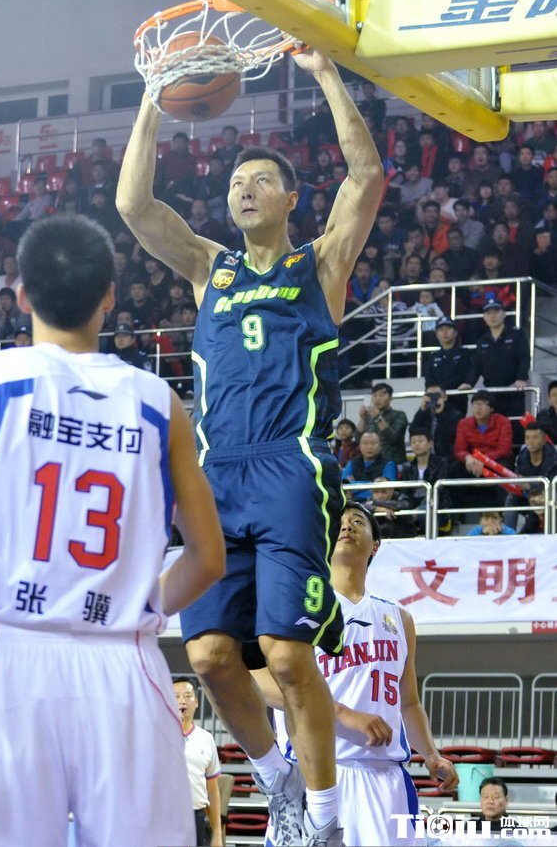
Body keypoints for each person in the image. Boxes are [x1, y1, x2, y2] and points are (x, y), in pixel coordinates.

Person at [118, 44, 384, 847]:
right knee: (205, 655)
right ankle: (278, 785)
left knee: (285, 652)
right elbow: (135, 206)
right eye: (236, 180)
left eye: (261, 179)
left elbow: (366, 178)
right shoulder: (210, 269)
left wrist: (326, 75)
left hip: (290, 465)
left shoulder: (320, 263)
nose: (243, 187)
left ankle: (327, 822)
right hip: (215, 476)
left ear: (290, 198)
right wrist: (152, 98)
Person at [0, 214, 226, 847]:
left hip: (15, 658)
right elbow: (207, 557)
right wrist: (138, 604)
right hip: (124, 664)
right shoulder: (157, 402)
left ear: (21, 295)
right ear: (109, 296)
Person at [253, 504, 457, 847]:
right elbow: (257, 680)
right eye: (339, 523)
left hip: (385, 778)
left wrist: (431, 754)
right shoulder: (295, 604)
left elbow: (409, 703)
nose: (347, 526)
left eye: (357, 522)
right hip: (315, 772)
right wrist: (339, 712)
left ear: (375, 545)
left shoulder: (399, 618)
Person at [173, 677, 223, 847]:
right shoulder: (156, 736)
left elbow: (212, 789)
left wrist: (217, 833)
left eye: (188, 696)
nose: (182, 701)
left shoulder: (206, 739)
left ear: (196, 702)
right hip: (163, 818)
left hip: (196, 818)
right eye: (176, 696)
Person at [467, 299, 531, 421]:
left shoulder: (516, 335)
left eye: (496, 311)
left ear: (504, 314)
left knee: (515, 427)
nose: (492, 316)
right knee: (493, 428)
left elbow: (524, 357)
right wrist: (469, 383)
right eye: (488, 313)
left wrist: (522, 378)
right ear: (484, 317)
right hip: (491, 394)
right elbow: (476, 366)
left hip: (513, 391)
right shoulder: (481, 341)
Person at [503, 422, 557, 529]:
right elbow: (519, 478)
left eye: (535, 437)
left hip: (550, 498)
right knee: (511, 498)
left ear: (544, 440)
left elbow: (553, 484)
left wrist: (530, 485)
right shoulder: (521, 457)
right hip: (529, 497)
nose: (530, 442)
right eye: (527, 438)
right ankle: (509, 532)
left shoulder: (554, 458)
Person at [423, 318, 472, 415]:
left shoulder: (464, 354)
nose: (445, 332)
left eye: (448, 329)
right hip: (435, 401)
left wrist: (441, 389)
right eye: (441, 329)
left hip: (457, 402)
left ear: (455, 333)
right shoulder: (433, 356)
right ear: (437, 334)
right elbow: (429, 378)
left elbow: (463, 375)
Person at [357, 383, 408, 466]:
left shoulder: (399, 415)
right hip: (371, 463)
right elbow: (358, 439)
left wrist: (378, 418)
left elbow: (394, 438)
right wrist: (363, 419)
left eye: (381, 395)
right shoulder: (369, 417)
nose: (377, 398)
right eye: (375, 395)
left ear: (391, 398)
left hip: (393, 462)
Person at [410, 385, 461, 462]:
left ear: (445, 397)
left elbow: (450, 436)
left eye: (437, 395)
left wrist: (440, 414)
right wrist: (421, 411)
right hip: (426, 458)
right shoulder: (424, 414)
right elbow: (413, 432)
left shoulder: (455, 415)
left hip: (448, 458)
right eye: (429, 395)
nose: (433, 398)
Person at [342, 431, 397, 501]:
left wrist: (354, 485)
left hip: (379, 504)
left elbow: (384, 491)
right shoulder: (352, 463)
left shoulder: (389, 464)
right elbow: (344, 486)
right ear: (359, 446)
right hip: (354, 504)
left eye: (373, 443)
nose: (369, 447)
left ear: (380, 446)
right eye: (365, 443)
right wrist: (371, 484)